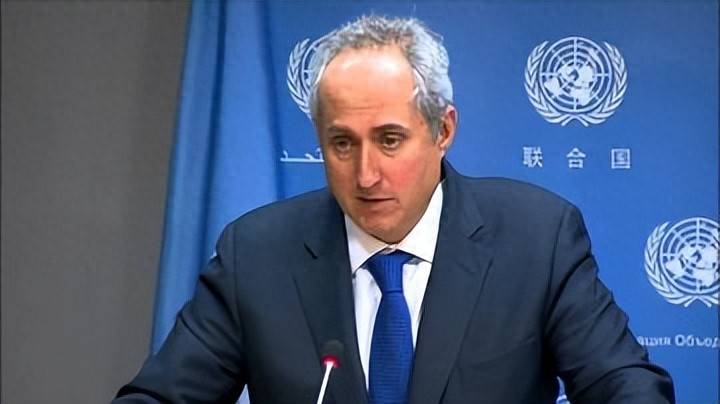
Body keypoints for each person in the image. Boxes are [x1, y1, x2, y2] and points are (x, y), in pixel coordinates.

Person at [115, 15, 674, 404]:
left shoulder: (536, 239)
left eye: (389, 140)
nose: (365, 175)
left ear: (442, 131)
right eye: (342, 144)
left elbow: (625, 386)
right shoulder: (257, 255)